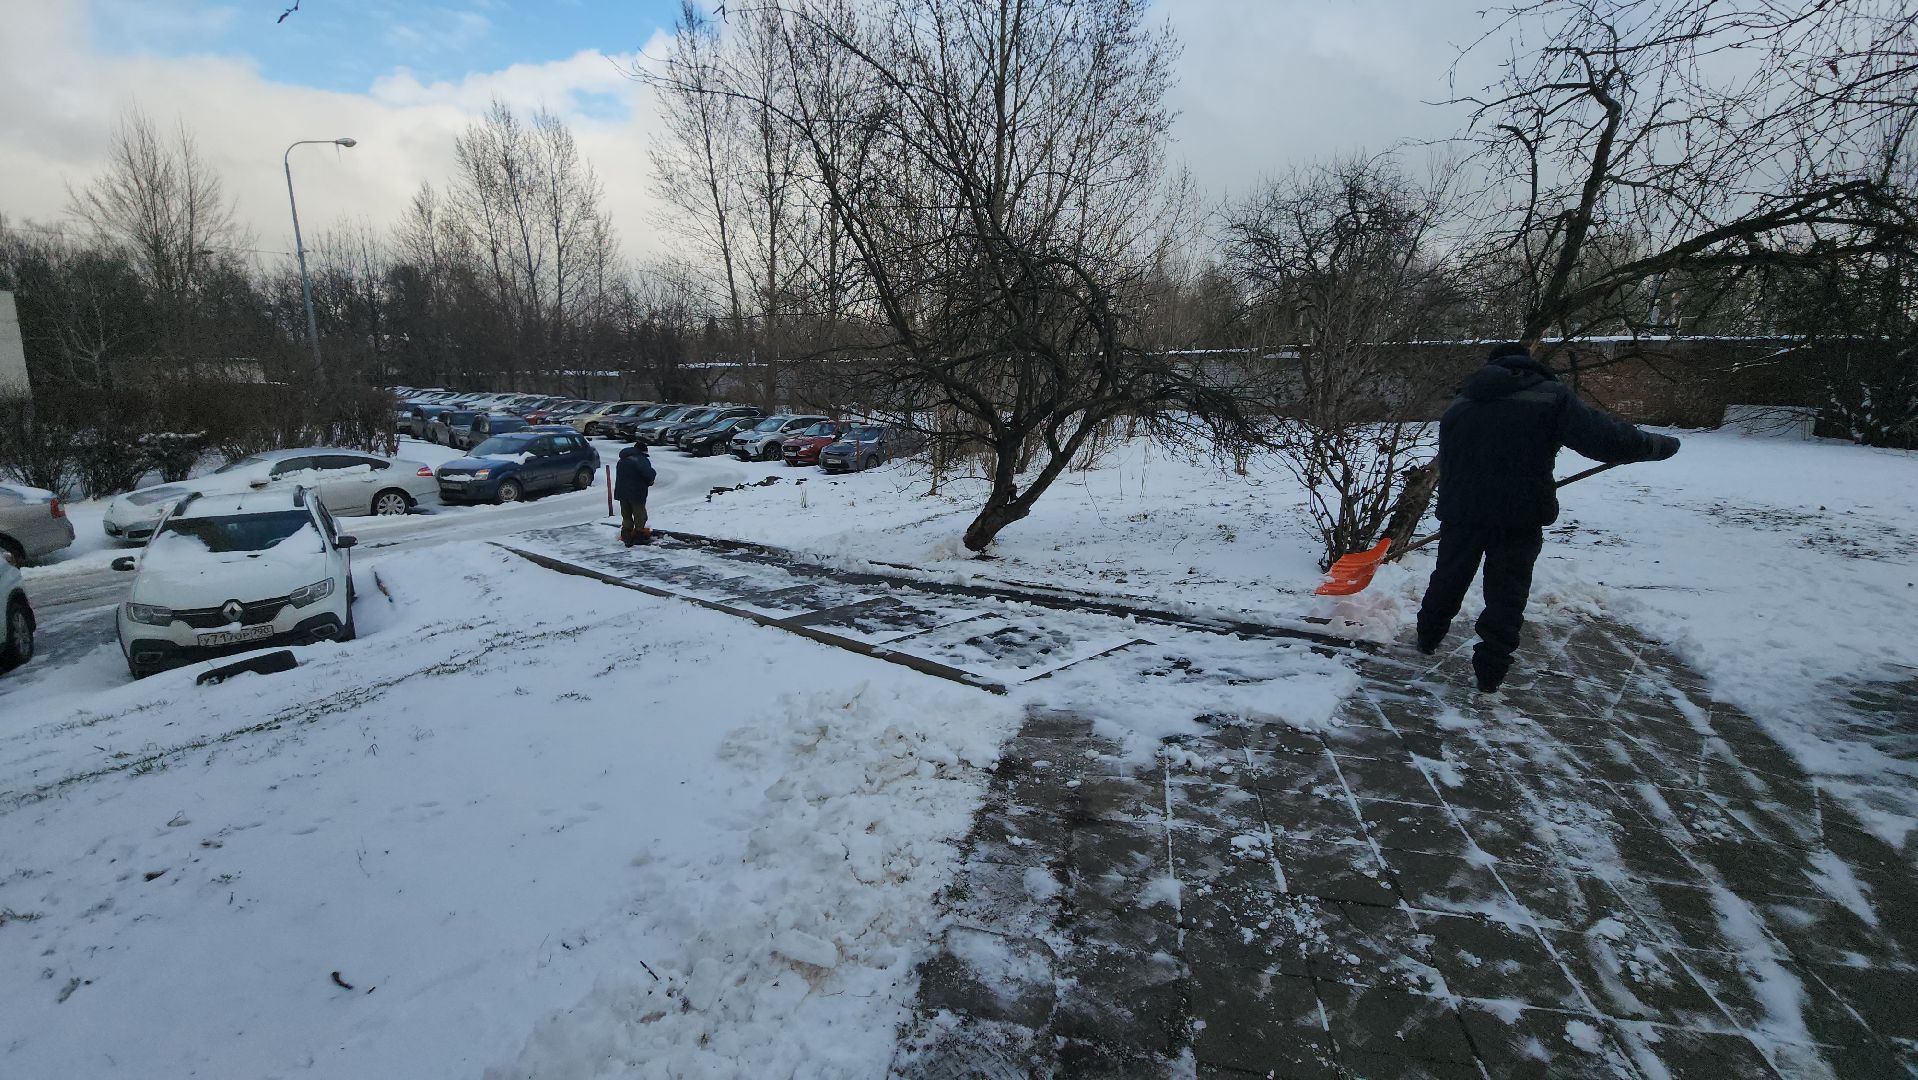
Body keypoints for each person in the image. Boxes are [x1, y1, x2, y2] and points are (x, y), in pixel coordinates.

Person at [1416, 342, 1681, 693]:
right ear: (1528, 364)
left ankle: (1427, 638)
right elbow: (1604, 438)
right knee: (1506, 593)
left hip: (1462, 510)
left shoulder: (1462, 401)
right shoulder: (1550, 396)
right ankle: (1490, 673)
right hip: (1519, 512)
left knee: (1448, 578)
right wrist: (1656, 446)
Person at [614, 441, 656, 546]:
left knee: (626, 516)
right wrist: (652, 477)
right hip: (636, 493)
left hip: (622, 493)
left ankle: (626, 536)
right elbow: (648, 474)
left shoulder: (622, 459)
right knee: (640, 516)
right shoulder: (640, 459)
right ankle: (639, 537)